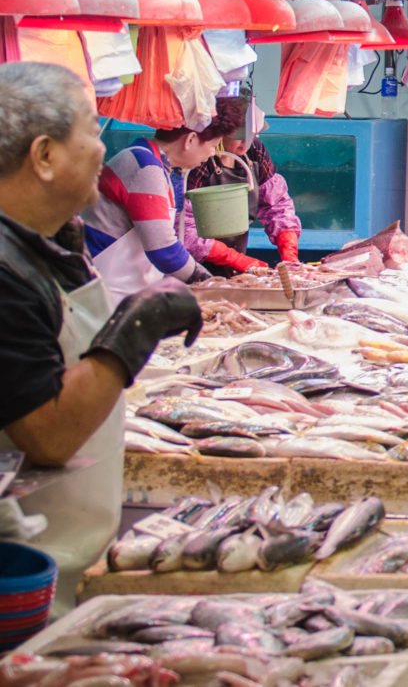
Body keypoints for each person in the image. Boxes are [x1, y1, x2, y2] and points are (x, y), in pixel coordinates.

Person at [0, 63, 200, 611]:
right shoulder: (4, 270)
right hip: (21, 566)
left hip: (58, 551)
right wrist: (138, 323)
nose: (101, 149)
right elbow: (51, 434)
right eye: (90, 131)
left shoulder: (40, 244)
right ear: (44, 156)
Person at [81, 119, 220, 297]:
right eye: (213, 145)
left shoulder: (156, 165)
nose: (212, 153)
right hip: (105, 292)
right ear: (190, 139)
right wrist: (210, 284)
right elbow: (164, 250)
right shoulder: (144, 166)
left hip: (123, 290)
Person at [178, 97, 304, 272]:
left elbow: (277, 204)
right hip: (192, 267)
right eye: (238, 136)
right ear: (220, 133)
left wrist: (289, 249)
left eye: (252, 135)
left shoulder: (254, 151)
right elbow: (183, 227)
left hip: (236, 259)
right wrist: (232, 258)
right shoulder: (199, 160)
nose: (246, 142)